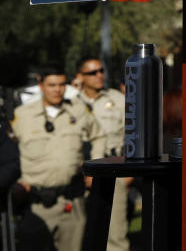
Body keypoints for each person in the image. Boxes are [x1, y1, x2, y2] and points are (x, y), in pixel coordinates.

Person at [11, 66, 105, 251]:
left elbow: (99, 135)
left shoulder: (78, 110)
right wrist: (16, 182)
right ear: (40, 85)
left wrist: (95, 169)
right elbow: (8, 151)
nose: (57, 90)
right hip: (36, 205)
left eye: (62, 84)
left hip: (71, 202)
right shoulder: (22, 115)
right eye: (51, 85)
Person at [75, 58, 129, 251]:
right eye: (92, 72)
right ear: (80, 76)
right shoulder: (71, 100)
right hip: (77, 173)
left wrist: (129, 171)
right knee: (78, 234)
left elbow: (132, 135)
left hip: (112, 168)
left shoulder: (117, 100)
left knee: (115, 235)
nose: (99, 75)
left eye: (101, 71)